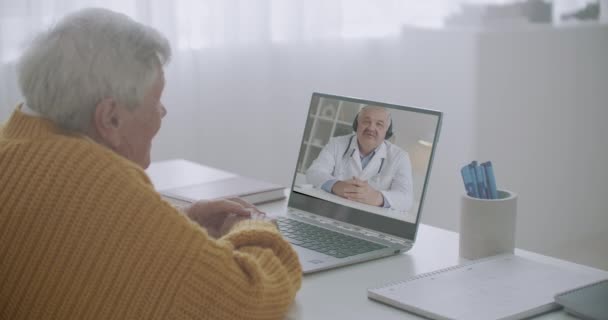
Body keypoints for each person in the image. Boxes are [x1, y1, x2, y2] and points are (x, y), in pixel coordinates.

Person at [0, 8, 301, 319]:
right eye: (156, 101)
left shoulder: (13, 144)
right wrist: (256, 228)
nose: (163, 113)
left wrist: (171, 224)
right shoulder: (100, 182)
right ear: (110, 118)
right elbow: (249, 298)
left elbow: (77, 236)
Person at [306, 106, 414, 212]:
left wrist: (377, 197)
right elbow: (314, 172)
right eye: (366, 121)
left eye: (379, 124)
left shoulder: (400, 157)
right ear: (356, 125)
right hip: (331, 212)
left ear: (387, 131)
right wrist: (336, 185)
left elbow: (406, 199)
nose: (371, 128)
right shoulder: (336, 143)